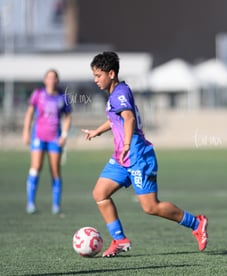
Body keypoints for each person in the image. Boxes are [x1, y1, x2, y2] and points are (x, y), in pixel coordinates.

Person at [83, 51, 208, 257]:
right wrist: (97, 130)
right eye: (94, 76)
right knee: (100, 193)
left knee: (151, 207)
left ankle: (197, 223)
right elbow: (117, 118)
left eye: (98, 75)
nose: (95, 80)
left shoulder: (120, 93)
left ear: (111, 73)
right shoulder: (116, 94)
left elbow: (129, 118)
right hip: (122, 157)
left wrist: (126, 145)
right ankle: (120, 239)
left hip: (137, 156)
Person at [22, 69, 72, 214]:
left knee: (55, 171)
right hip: (38, 136)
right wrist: (26, 131)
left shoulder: (63, 97)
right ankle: (30, 203)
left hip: (54, 138)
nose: (52, 80)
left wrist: (64, 135)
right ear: (45, 80)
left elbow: (68, 117)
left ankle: (56, 205)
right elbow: (30, 113)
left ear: (57, 80)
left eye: (54, 77)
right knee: (36, 167)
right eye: (49, 77)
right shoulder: (38, 94)